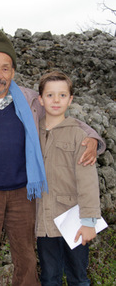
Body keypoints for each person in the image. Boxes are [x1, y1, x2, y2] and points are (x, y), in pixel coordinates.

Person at [0, 32, 105, 286]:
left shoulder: (31, 100)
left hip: (23, 195)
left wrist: (93, 138)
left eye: (5, 68)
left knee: (27, 261)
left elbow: (65, 120)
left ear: (13, 71)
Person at [36, 71, 102, 286]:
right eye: (50, 95)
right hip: (44, 223)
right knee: (49, 277)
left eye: (62, 95)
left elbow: (87, 180)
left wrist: (89, 221)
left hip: (73, 221)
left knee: (78, 277)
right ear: (40, 99)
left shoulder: (79, 135)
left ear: (71, 99)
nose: (56, 100)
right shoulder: (33, 132)